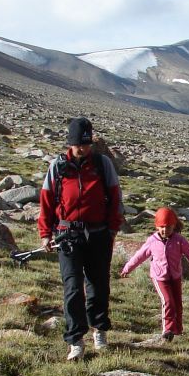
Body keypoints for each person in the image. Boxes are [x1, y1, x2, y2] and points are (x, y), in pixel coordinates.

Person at [37, 117, 124, 361]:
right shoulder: (58, 166)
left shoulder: (102, 163)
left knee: (98, 286)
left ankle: (99, 330)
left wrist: (112, 230)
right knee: (73, 288)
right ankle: (75, 340)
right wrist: (45, 233)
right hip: (67, 236)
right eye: (79, 145)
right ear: (70, 143)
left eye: (86, 145)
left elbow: (116, 198)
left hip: (98, 235)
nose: (83, 149)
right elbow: (46, 201)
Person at [119, 206, 189, 342]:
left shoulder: (178, 240)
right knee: (168, 301)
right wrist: (127, 268)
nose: (165, 230)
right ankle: (168, 330)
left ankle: (177, 329)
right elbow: (139, 256)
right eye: (162, 227)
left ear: (174, 226)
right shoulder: (152, 241)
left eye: (168, 227)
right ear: (157, 226)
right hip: (160, 278)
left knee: (177, 304)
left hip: (175, 277)